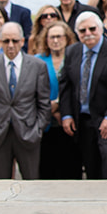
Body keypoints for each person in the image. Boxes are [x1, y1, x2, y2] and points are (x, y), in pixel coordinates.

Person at [58, 12, 107, 179]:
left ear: (100, 29)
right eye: (82, 30)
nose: (88, 33)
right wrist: (67, 114)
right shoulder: (72, 51)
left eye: (92, 29)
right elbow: (65, 85)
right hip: (83, 118)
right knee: (90, 163)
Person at [0, 23, 53, 180]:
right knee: (0, 184)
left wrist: (38, 128)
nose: (10, 45)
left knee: (31, 182)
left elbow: (43, 102)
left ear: (22, 41)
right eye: (6, 41)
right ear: (0, 42)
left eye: (14, 40)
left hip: (28, 131)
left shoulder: (37, 66)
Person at [30, 19, 80, 180]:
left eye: (59, 36)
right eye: (51, 37)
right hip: (46, 120)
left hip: (69, 119)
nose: (56, 40)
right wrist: (49, 108)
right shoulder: (37, 60)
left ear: (67, 38)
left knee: (70, 167)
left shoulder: (75, 59)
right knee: (47, 168)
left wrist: (60, 107)